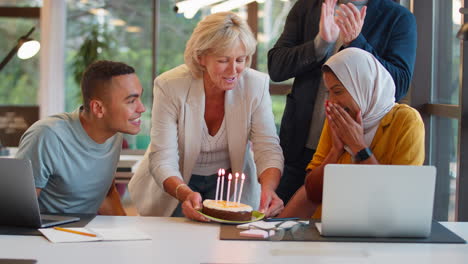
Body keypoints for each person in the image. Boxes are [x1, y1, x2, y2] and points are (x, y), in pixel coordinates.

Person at [129, 12, 284, 221]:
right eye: (223, 60)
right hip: (176, 182)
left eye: (240, 59)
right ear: (201, 57)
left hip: (229, 183)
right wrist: (185, 193)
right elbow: (163, 157)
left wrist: (268, 189)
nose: (233, 70)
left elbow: (267, 147)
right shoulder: (170, 85)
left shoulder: (256, 85)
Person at [267, 0, 417, 205]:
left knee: (344, 220)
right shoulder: (307, 7)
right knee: (280, 223)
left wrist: (357, 42)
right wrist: (319, 45)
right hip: (299, 144)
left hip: (359, 145)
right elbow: (276, 68)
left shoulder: (398, 17)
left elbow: (399, 84)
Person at [278, 48, 425, 218]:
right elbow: (312, 192)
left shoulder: (406, 121)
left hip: (381, 234)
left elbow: (397, 202)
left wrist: (358, 147)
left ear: (363, 85)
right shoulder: (340, 117)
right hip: (329, 227)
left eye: (338, 91)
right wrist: (334, 152)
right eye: (329, 92)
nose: (332, 101)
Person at [15, 60, 146, 215]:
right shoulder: (47, 136)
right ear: (98, 108)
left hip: (85, 232)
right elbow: (18, 211)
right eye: (131, 101)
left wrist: (128, 233)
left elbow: (106, 194)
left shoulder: (114, 135)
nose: (142, 108)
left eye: (139, 98)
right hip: (44, 235)